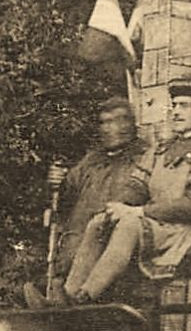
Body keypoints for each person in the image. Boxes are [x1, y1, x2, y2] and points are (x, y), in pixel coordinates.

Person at [62, 73, 191, 303]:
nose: (176, 111)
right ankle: (67, 295)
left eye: (184, 106)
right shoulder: (163, 149)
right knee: (99, 222)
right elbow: (137, 186)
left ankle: (86, 297)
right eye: (174, 105)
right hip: (162, 225)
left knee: (130, 225)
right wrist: (119, 206)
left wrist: (139, 212)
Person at [25, 96, 143, 308]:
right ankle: (57, 303)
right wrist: (57, 183)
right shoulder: (91, 160)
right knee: (68, 260)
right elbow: (64, 197)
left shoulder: (144, 157)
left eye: (115, 121)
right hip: (77, 242)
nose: (107, 128)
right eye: (103, 122)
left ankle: (67, 302)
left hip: (114, 240)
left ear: (130, 125)